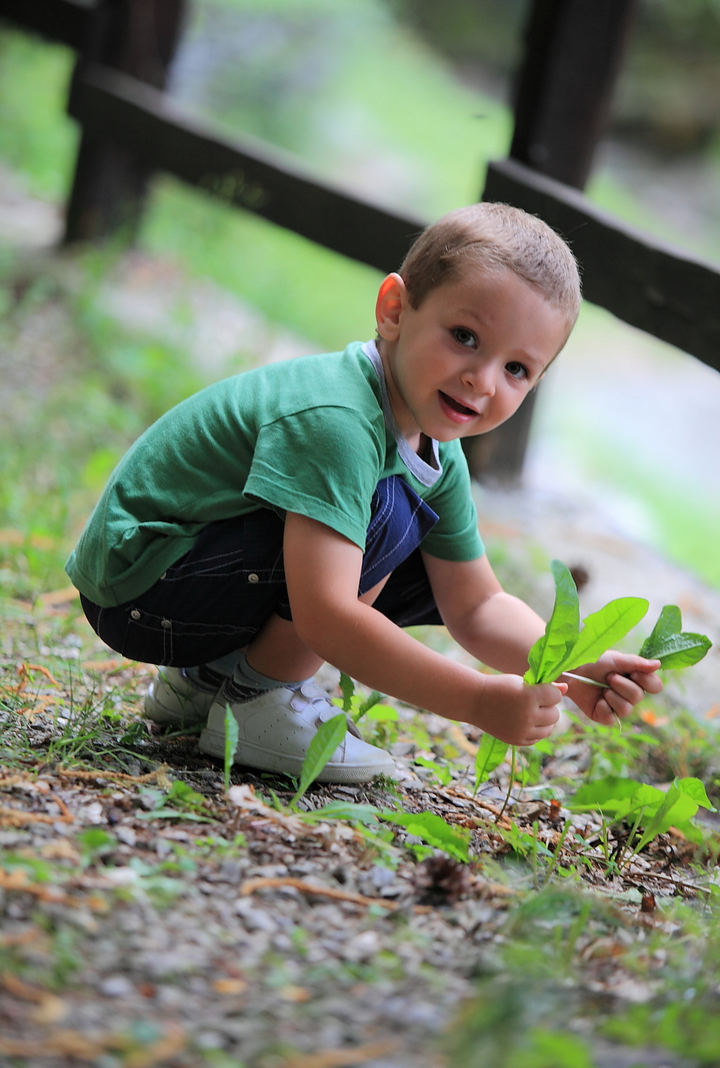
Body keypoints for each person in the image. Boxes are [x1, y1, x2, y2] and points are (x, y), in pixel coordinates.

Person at [66, 203, 662, 784]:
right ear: (395, 310)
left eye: (517, 370)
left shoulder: (433, 446)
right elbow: (327, 616)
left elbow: (476, 605)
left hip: (181, 579)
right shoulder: (340, 420)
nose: (482, 380)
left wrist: (578, 663)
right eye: (464, 336)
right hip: (142, 584)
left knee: (417, 544)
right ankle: (257, 702)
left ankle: (203, 689)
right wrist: (478, 700)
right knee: (390, 513)